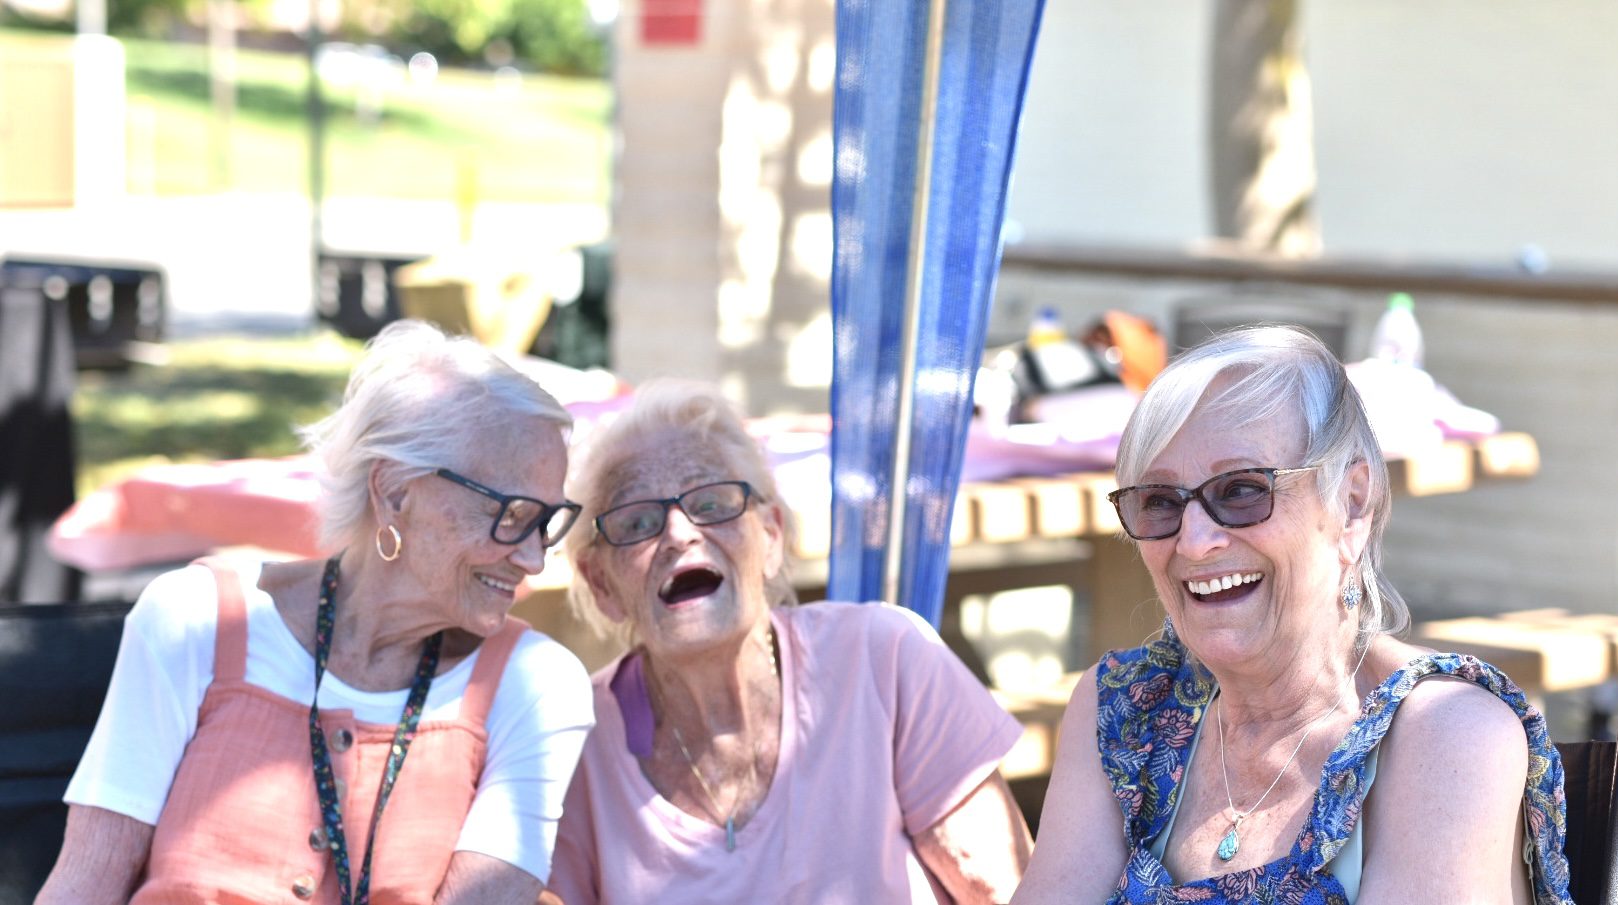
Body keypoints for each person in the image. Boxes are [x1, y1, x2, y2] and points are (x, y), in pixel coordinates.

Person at [37, 321, 596, 905]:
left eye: (548, 522)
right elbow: (84, 887)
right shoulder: (195, 620)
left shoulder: (535, 684)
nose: (533, 558)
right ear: (396, 492)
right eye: (512, 515)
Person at [1012, 325, 1572, 904]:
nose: (1195, 540)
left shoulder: (1448, 733)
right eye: (1159, 502)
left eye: (1242, 490)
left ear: (1352, 504)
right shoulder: (1126, 710)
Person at [547, 380, 1032, 904]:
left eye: (713, 503)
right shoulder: (576, 744)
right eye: (637, 521)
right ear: (601, 584)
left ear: (771, 536)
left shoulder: (884, 658)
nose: (680, 533)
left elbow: (1004, 891)